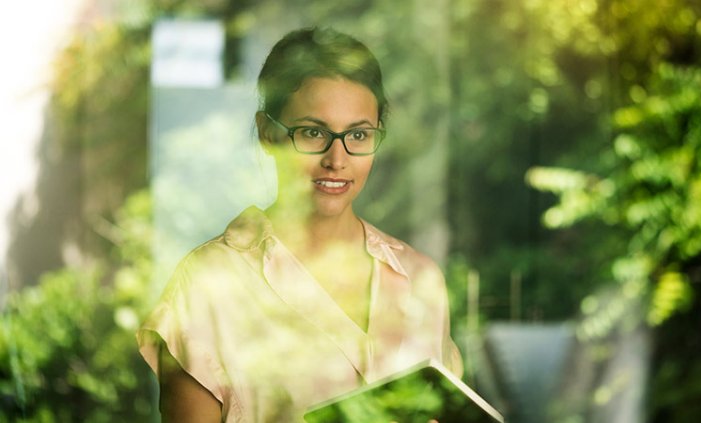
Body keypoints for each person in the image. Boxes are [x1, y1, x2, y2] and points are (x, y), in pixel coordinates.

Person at [137, 27, 463, 422]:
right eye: (313, 132)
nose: (337, 159)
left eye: (358, 134)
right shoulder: (208, 282)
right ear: (267, 133)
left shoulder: (420, 280)